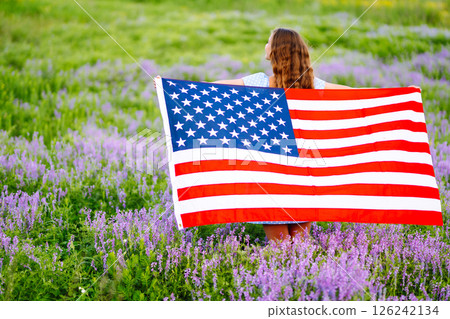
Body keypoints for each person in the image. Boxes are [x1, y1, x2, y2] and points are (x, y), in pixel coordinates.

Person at [212, 27, 353, 245]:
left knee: (280, 248)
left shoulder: (258, 82)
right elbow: (354, 94)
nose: (265, 46)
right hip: (305, 171)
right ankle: (303, 277)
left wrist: (168, 86)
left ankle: (286, 278)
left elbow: (212, 89)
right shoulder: (313, 85)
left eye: (268, 42)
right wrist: (404, 93)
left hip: (271, 172)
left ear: (276, 51)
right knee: (300, 246)